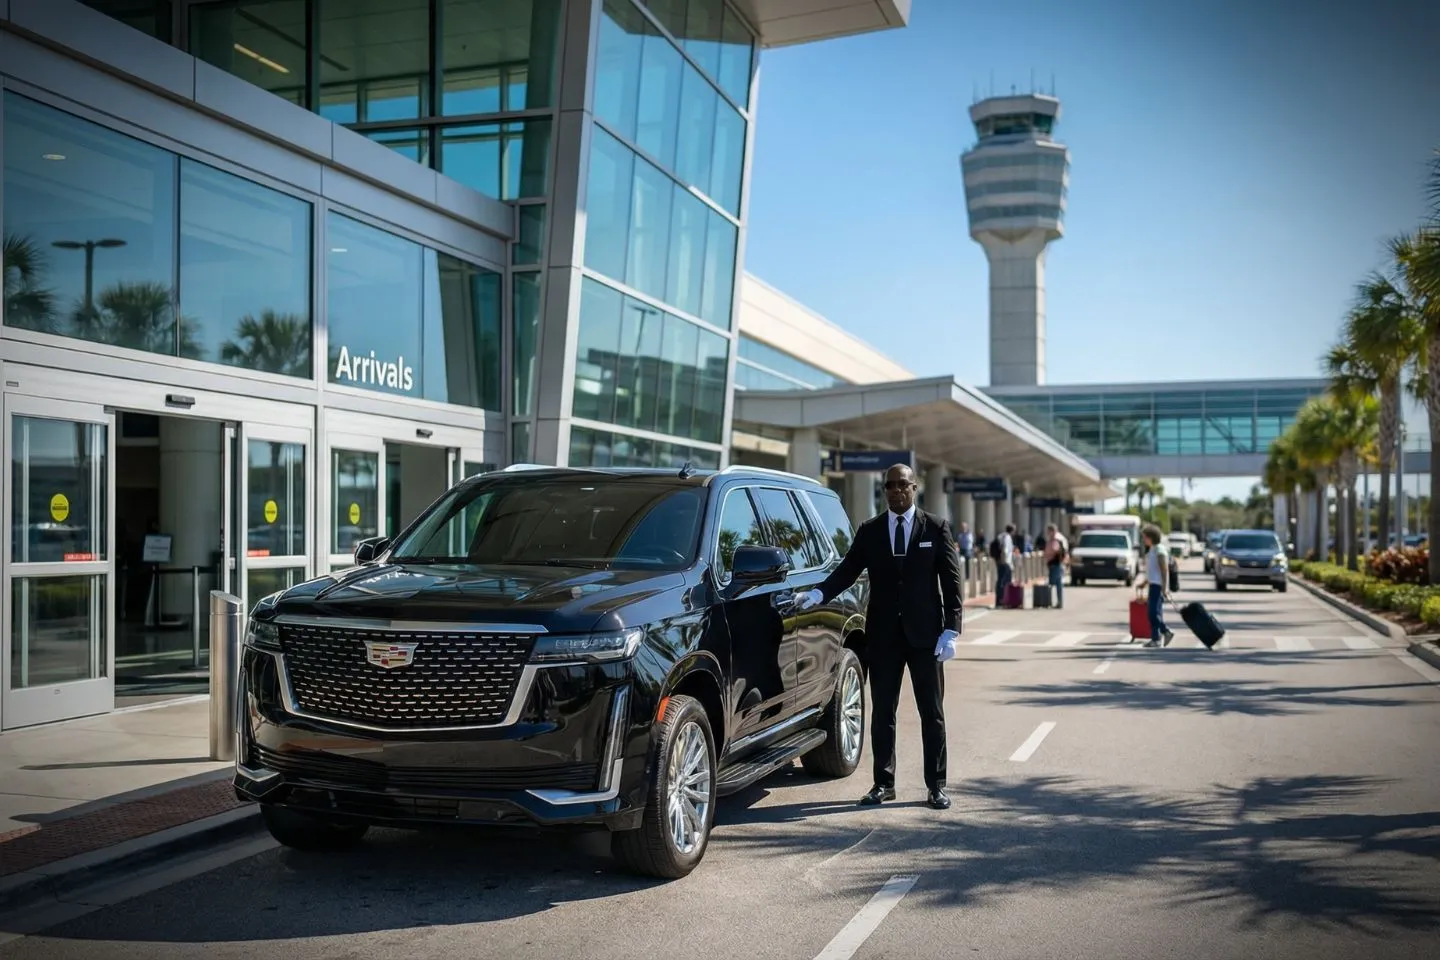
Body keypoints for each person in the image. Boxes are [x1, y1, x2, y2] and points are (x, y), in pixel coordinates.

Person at [796, 463, 962, 810]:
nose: (897, 490)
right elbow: (848, 569)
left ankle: (936, 786)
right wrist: (818, 594)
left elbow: (951, 581)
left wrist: (951, 629)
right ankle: (883, 783)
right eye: (890, 485)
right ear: (884, 491)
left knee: (931, 713)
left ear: (914, 487)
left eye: (903, 484)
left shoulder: (935, 527)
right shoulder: (870, 530)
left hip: (926, 637)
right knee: (883, 712)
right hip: (884, 637)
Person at [1137, 524, 1175, 648]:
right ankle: (1156, 639)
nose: (1143, 540)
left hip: (1158, 586)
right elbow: (1152, 571)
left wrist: (1164, 588)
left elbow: (1164, 570)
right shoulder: (1152, 550)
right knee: (1154, 613)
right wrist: (1144, 583)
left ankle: (1166, 631)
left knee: (1153, 614)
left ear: (1151, 537)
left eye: (1145, 537)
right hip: (1153, 584)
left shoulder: (1160, 550)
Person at [989, 523, 1016, 607]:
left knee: (1002, 581)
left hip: (1000, 561)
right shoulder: (1007, 537)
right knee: (1003, 581)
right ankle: (1001, 600)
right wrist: (1007, 563)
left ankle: (1002, 600)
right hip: (1005, 562)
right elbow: (1005, 551)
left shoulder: (1001, 536)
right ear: (1012, 531)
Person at [1043, 522, 1068, 609]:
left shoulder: (1055, 541)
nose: (1048, 533)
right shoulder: (1053, 540)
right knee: (1056, 584)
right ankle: (1056, 602)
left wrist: (1049, 554)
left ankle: (1054, 602)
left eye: (1049, 531)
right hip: (1054, 564)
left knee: (1054, 584)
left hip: (1056, 564)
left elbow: (1054, 550)